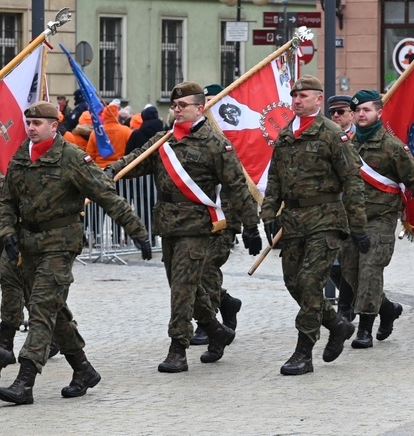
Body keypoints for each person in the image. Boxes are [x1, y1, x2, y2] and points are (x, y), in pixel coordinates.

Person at [0, 101, 151, 405]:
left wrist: (137, 231)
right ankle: (83, 369)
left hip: (60, 242)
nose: (31, 128)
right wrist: (8, 233)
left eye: (38, 123)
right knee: (54, 312)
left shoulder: (71, 157)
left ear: (54, 127)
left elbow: (104, 194)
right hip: (29, 246)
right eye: (28, 123)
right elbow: (6, 201)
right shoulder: (20, 156)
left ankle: (24, 382)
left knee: (41, 308)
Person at [106, 81, 262, 373]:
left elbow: (237, 186)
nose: (176, 110)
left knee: (181, 289)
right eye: (174, 106)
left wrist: (251, 226)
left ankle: (178, 348)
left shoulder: (216, 144)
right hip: (167, 226)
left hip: (197, 227)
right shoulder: (163, 141)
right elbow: (133, 162)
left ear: (199, 108)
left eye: (183, 106)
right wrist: (108, 172)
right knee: (185, 288)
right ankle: (217, 331)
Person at [260, 75, 369, 376]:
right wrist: (269, 214)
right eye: (294, 96)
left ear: (319, 100)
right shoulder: (285, 135)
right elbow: (274, 179)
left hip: (326, 218)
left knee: (310, 283)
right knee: (294, 283)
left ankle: (303, 352)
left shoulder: (332, 134)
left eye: (304, 96)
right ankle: (336, 324)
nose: (297, 101)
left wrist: (358, 225)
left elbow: (352, 179)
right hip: (293, 221)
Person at [341, 90, 414, 348]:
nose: (361, 114)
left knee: (370, 270)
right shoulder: (345, 145)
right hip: (351, 220)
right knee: (350, 272)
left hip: (381, 219)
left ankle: (365, 328)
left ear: (379, 112)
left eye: (367, 110)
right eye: (357, 111)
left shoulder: (392, 147)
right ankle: (386, 308)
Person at [189, 83, 243, 346]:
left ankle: (205, 323)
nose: (209, 106)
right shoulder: (192, 135)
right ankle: (226, 303)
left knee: (207, 267)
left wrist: (251, 224)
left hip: (224, 217)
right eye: (206, 101)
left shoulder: (231, 137)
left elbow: (239, 183)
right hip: (196, 218)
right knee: (196, 270)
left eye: (215, 101)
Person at [325, 94, 356, 320]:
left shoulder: (360, 139)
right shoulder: (325, 138)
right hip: (330, 211)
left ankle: (345, 308)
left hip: (356, 210)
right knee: (334, 265)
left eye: (341, 112)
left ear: (352, 114)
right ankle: (383, 305)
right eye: (332, 112)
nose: (336, 116)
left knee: (351, 263)